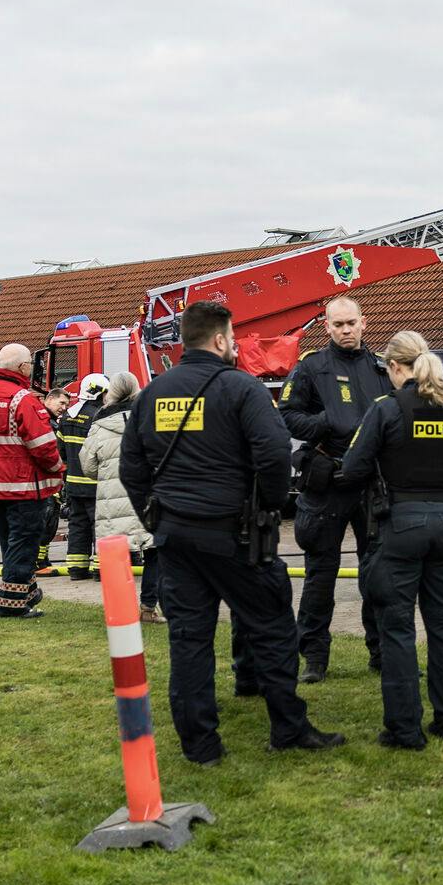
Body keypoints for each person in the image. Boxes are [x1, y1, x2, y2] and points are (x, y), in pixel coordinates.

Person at [120, 300, 344, 764]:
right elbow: (273, 452)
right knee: (273, 627)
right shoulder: (241, 388)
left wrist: (155, 518)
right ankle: (288, 727)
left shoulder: (153, 393)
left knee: (189, 639)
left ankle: (200, 746)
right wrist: (267, 509)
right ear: (221, 340)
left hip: (176, 538)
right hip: (237, 535)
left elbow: (132, 468)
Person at [339, 331, 443, 748]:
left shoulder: (386, 409)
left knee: (397, 630)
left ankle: (404, 730)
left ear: (395, 368)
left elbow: (353, 465)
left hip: (398, 526)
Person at [279, 295, 394, 683]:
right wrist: (327, 422)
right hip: (327, 481)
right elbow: (288, 416)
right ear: (327, 326)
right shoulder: (311, 367)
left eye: (351, 323)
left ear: (364, 323)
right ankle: (314, 658)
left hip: (370, 483)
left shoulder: (382, 367)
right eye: (338, 324)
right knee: (320, 574)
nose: (346, 330)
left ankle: (381, 653)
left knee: (377, 571)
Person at [0, 344, 66, 618]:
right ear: (23, 367)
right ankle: (10, 605)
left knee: (10, 542)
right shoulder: (23, 400)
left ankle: (28, 591)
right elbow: (43, 447)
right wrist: (58, 468)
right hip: (23, 488)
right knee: (24, 544)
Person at [79, 372, 164, 624]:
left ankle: (121, 611)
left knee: (117, 556)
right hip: (147, 497)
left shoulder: (99, 424)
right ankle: (148, 607)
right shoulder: (150, 418)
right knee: (154, 553)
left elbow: (88, 466)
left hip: (111, 499)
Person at [57, 373, 110, 579]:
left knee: (77, 525)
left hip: (73, 484)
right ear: (99, 393)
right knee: (100, 526)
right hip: (95, 483)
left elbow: (60, 450)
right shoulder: (100, 415)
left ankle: (77, 569)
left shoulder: (68, 416)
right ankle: (101, 570)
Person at [34, 389, 70, 576]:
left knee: (50, 522)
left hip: (50, 481)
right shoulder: (42, 421)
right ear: (49, 399)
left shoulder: (53, 422)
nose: (63, 408)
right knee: (44, 520)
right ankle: (37, 563)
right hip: (42, 482)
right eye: (61, 403)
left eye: (66, 405)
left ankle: (42, 560)